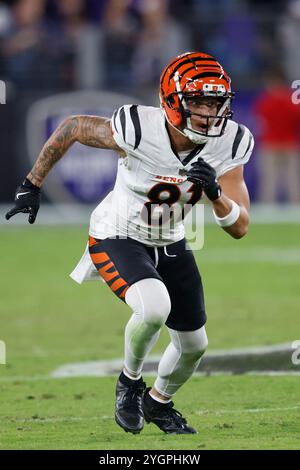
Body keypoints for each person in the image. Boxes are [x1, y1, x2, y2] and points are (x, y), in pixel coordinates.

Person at [6, 51, 254, 435]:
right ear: (172, 102)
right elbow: (72, 127)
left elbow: (240, 226)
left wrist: (216, 193)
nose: (209, 113)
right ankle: (130, 382)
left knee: (194, 345)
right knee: (154, 307)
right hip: (116, 234)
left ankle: (157, 403)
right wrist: (32, 183)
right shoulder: (138, 127)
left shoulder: (230, 143)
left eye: (215, 102)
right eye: (198, 102)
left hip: (171, 239)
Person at [253, 68, 300, 203]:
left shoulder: (265, 101)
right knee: (292, 180)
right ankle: (296, 209)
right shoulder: (292, 100)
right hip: (289, 143)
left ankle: (268, 209)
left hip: (270, 143)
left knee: (269, 180)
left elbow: (260, 124)